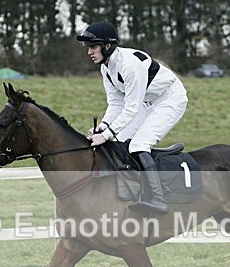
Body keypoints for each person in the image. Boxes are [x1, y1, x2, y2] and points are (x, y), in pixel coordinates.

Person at [76, 21, 188, 215]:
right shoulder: (106, 67)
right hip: (146, 102)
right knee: (120, 142)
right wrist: (103, 127)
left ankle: (158, 198)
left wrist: (107, 134)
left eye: (93, 47)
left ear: (107, 46)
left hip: (170, 99)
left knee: (138, 145)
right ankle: (132, 191)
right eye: (89, 48)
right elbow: (116, 104)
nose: (89, 52)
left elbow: (131, 108)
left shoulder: (130, 65)